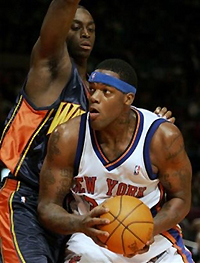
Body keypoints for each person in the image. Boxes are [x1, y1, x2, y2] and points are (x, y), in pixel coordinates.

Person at [0, 0, 174, 262]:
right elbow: (60, 10)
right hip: (26, 199)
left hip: (69, 209)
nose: (85, 33)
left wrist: (154, 122)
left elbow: (126, 131)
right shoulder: (50, 72)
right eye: (76, 26)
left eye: (91, 29)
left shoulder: (95, 97)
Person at [38, 58, 194, 263]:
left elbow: (181, 199)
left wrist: (148, 228)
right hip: (91, 241)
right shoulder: (68, 137)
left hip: (154, 241)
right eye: (92, 90)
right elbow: (47, 206)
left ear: (128, 99)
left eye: (106, 92)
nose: (94, 97)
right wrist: (81, 223)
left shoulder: (162, 137)